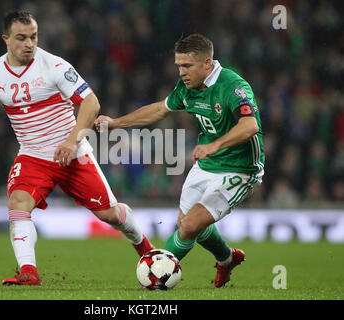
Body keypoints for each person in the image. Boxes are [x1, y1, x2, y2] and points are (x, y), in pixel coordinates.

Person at [0, 10, 154, 286]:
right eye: (21, 38)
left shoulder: (55, 65)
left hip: (73, 153)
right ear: (6, 39)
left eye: (33, 37)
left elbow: (91, 104)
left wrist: (72, 141)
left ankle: (145, 247)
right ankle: (28, 272)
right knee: (18, 203)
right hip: (33, 155)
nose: (29, 43)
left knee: (109, 214)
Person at [95, 34, 265, 288]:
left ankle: (156, 276)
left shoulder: (233, 86)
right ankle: (227, 259)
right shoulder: (187, 88)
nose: (181, 72)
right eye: (178, 66)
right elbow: (159, 109)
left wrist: (215, 145)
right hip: (207, 164)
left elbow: (250, 126)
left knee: (189, 227)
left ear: (207, 63)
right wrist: (117, 123)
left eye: (187, 66)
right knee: (186, 224)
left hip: (240, 169)